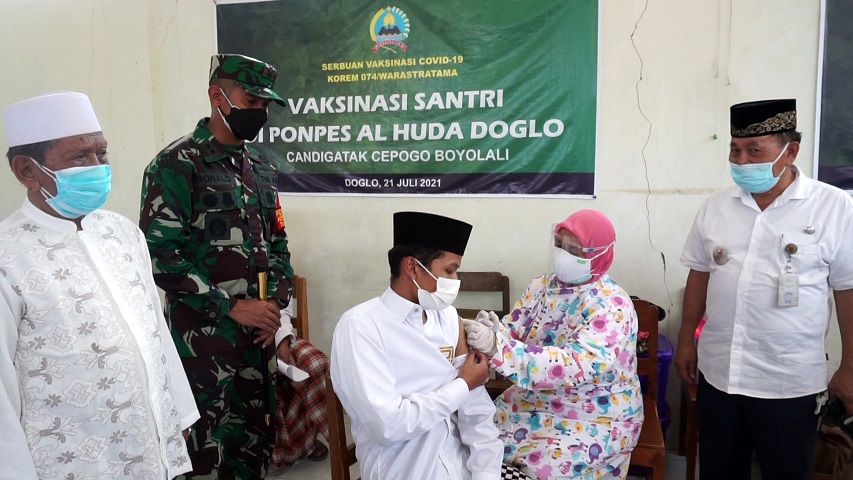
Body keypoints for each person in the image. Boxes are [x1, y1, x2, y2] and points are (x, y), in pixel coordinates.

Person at [139, 54, 327, 479]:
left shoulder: (260, 167)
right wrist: (231, 306)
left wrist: (273, 308)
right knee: (206, 451)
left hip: (257, 340)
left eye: (265, 106)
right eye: (251, 101)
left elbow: (277, 244)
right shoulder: (176, 166)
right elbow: (161, 258)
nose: (258, 113)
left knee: (254, 445)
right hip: (203, 342)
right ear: (216, 95)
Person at [0, 91, 199, 479]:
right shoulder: (8, 256)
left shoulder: (122, 233)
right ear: (27, 170)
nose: (97, 166)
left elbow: (153, 329)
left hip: (148, 442)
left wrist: (178, 410)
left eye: (101, 153)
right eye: (79, 157)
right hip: (71, 457)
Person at [675, 98, 853, 480]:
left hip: (788, 382)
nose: (741, 162)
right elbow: (699, 274)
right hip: (720, 373)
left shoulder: (833, 207)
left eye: (755, 151)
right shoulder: (715, 206)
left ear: (791, 151)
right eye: (735, 150)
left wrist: (850, 366)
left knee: (786, 471)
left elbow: (847, 290)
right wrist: (687, 340)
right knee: (720, 471)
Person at [464, 209, 643, 480]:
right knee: (473, 443)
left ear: (600, 255)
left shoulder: (611, 305)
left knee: (541, 470)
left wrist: (498, 348)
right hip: (530, 401)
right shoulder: (541, 287)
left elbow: (572, 365)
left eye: (574, 249)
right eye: (559, 244)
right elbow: (515, 331)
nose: (563, 254)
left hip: (592, 413)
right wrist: (497, 331)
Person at [330, 211, 505, 480]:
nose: (456, 280)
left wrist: (486, 475)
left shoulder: (447, 317)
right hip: (405, 470)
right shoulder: (361, 327)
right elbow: (388, 426)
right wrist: (462, 384)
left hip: (460, 468)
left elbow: (477, 416)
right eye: (449, 269)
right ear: (412, 267)